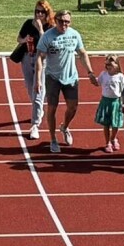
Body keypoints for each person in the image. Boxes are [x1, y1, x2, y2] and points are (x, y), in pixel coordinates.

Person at [35, 9, 96, 153]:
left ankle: (65, 127)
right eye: (61, 21)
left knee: (73, 107)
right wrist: (38, 80)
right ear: (55, 21)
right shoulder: (48, 36)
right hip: (53, 77)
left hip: (71, 77)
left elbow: (82, 53)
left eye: (67, 21)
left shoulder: (74, 35)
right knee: (52, 108)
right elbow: (39, 57)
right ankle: (53, 139)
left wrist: (90, 72)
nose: (64, 24)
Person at [14, 0, 52, 139]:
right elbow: (18, 38)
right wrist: (25, 40)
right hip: (26, 57)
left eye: (42, 12)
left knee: (37, 90)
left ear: (47, 13)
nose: (39, 14)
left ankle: (35, 125)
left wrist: (41, 29)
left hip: (42, 60)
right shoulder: (28, 23)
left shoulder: (50, 26)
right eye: (37, 11)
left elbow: (47, 44)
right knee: (30, 88)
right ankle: (39, 108)